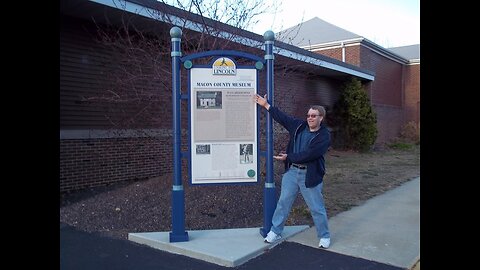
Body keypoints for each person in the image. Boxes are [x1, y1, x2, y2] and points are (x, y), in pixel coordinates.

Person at [254, 93, 331, 249]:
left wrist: (289, 157)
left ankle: (324, 236)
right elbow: (282, 118)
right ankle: (275, 231)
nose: (310, 118)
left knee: (316, 208)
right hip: (292, 173)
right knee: (283, 203)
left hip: (309, 175)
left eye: (314, 116)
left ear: (321, 118)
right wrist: (266, 105)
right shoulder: (299, 126)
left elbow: (311, 154)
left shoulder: (324, 135)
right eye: (308, 115)